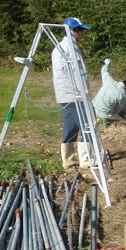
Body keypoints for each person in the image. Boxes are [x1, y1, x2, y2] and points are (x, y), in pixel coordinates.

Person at [52, 17, 91, 170]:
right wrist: (81, 94)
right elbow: (70, 74)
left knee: (71, 127)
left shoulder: (66, 47)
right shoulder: (65, 49)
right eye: (79, 30)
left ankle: (69, 160)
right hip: (73, 95)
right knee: (87, 126)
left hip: (67, 95)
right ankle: (86, 160)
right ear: (71, 30)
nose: (81, 33)